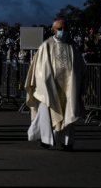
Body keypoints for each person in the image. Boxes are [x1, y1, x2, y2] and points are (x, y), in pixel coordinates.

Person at [25, 19, 85, 150]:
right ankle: (47, 140)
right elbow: (41, 70)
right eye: (60, 28)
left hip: (70, 87)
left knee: (70, 111)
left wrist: (79, 83)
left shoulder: (72, 47)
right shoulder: (46, 46)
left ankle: (67, 142)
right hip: (50, 88)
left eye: (65, 28)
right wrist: (46, 85)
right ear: (53, 30)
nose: (63, 31)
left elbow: (80, 68)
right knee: (48, 113)